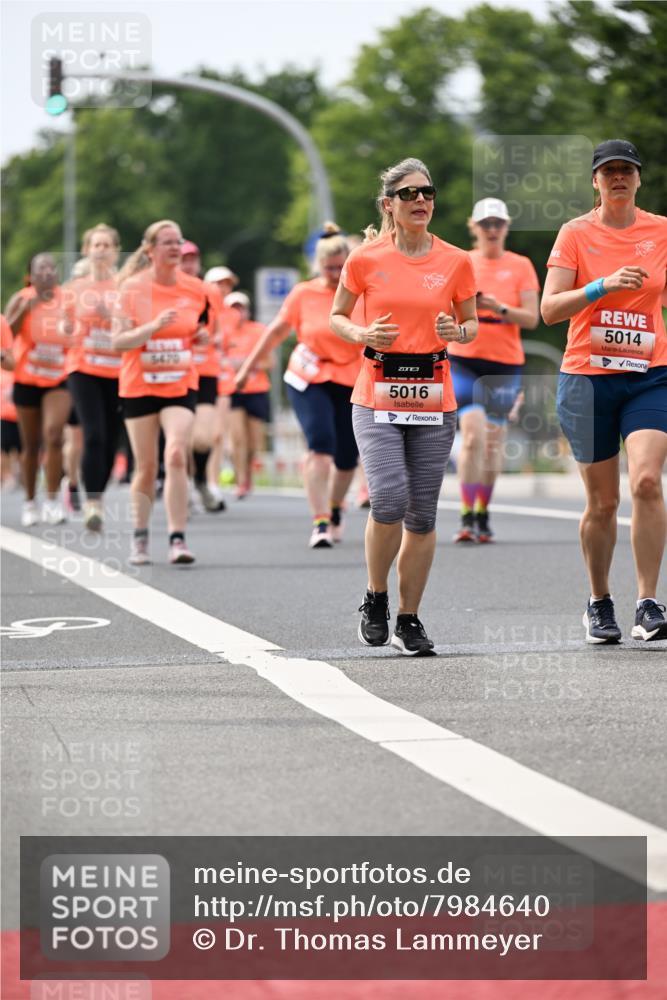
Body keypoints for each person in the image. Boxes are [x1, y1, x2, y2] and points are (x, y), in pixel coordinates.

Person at [330, 157, 478, 654]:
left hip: (434, 397)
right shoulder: (365, 258)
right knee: (389, 498)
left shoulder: (456, 260)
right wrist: (362, 332)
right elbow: (337, 316)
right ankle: (375, 597)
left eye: (428, 193)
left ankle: (409, 619)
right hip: (376, 394)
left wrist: (457, 333)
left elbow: (471, 323)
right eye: (410, 194)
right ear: (389, 204)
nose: (421, 201)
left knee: (423, 514)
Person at [542, 139, 667, 643]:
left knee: (646, 483)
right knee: (603, 503)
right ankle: (599, 601)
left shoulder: (660, 231)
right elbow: (550, 310)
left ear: (639, 178)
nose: (618, 177)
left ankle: (648, 601)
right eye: (608, 170)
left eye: (627, 170)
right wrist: (603, 286)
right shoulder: (575, 234)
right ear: (595, 180)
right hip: (587, 378)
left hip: (649, 374)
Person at [235, 223, 364, 547]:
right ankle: (320, 520)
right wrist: (246, 370)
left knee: (348, 456)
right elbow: (275, 332)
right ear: (317, 266)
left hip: (350, 376)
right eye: (328, 268)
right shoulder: (303, 293)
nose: (335, 274)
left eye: (340, 268)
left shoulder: (361, 294)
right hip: (309, 377)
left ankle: (335, 506)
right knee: (320, 445)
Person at [112, 220, 207, 565]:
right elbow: (118, 342)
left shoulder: (196, 288)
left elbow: (198, 327)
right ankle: (139, 537)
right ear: (150, 250)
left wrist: (200, 337)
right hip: (140, 384)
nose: (173, 247)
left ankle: (177, 538)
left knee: (177, 454)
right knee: (146, 465)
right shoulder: (132, 289)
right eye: (165, 242)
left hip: (180, 382)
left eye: (177, 241)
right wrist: (152, 327)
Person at [448, 198, 540, 542]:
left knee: (492, 441)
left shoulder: (520, 265)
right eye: (485, 224)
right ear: (473, 226)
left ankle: (483, 512)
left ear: (506, 226)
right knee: (472, 434)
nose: (491, 230)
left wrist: (497, 307)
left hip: (505, 363)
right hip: (463, 358)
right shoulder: (461, 262)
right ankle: (466, 514)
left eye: (497, 223)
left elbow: (531, 318)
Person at [5, 254, 72, 526]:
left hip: (59, 377)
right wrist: (26, 309)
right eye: (39, 268)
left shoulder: (67, 299)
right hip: (27, 379)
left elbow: (80, 331)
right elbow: (5, 334)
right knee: (30, 444)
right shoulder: (21, 298)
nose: (46, 272)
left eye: (50, 267)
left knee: (54, 436)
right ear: (29, 276)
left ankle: (53, 501)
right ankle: (30, 501)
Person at [64, 223, 123, 531]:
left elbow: (133, 326)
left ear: (115, 251)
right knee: (94, 434)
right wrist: (65, 328)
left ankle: (98, 489)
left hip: (117, 370)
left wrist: (111, 316)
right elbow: (64, 327)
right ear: (86, 250)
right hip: (82, 368)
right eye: (95, 245)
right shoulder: (74, 289)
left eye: (106, 245)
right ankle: (92, 503)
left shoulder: (126, 287)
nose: (101, 250)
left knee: (112, 438)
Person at [179, 241, 225, 512]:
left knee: (203, 438)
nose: (189, 264)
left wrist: (212, 337)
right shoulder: (166, 290)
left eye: (192, 259)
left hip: (205, 369)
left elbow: (218, 330)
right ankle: (181, 485)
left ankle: (200, 481)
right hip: (176, 370)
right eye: (184, 259)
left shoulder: (209, 291)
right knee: (180, 436)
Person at [223, 291, 270, 499]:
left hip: (257, 389)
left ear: (247, 310)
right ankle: (241, 481)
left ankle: (248, 474)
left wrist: (247, 365)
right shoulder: (223, 332)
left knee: (254, 442)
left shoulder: (258, 330)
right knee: (237, 438)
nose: (237, 312)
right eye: (232, 308)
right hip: (232, 390)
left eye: (240, 308)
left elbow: (270, 362)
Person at [204, 265, 239, 494]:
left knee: (217, 434)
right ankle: (193, 478)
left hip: (222, 374)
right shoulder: (200, 307)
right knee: (198, 434)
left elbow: (229, 343)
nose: (222, 288)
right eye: (218, 283)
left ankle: (212, 482)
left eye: (226, 283)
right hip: (199, 373)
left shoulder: (233, 314)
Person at [1, 314, 20, 489]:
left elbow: (11, 362)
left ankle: (12, 476)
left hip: (12, 414)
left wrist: (1, 355)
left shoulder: (1, 322)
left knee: (11, 448)